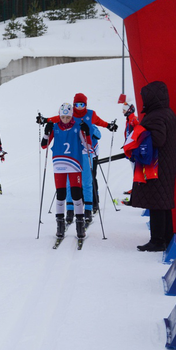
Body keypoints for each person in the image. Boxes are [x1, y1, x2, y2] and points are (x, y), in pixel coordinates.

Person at [37, 93, 116, 223]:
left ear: (86, 104)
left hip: (87, 150)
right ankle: (70, 210)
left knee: (87, 181)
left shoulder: (91, 114)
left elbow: (100, 122)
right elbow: (58, 118)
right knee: (69, 183)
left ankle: (89, 208)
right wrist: (45, 120)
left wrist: (109, 126)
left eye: (82, 104)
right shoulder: (70, 115)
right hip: (73, 153)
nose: (79, 107)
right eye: (77, 105)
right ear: (73, 106)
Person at [127, 81, 176, 251]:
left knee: (157, 202)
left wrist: (139, 131)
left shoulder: (156, 115)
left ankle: (157, 240)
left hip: (157, 165)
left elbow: (157, 139)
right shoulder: (167, 113)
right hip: (167, 163)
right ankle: (167, 237)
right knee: (164, 201)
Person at [41, 103, 92, 240]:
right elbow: (44, 145)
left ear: (71, 116)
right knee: (61, 195)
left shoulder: (77, 127)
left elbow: (88, 148)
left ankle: (80, 226)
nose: (65, 119)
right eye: (62, 117)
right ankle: (60, 226)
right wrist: (46, 132)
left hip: (74, 165)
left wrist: (86, 132)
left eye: (67, 117)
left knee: (76, 195)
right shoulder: (55, 127)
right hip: (59, 165)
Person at [122, 101, 139, 196]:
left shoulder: (133, 119)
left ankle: (137, 188)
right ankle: (135, 187)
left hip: (134, 149)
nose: (123, 112)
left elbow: (138, 132)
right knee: (134, 169)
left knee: (136, 169)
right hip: (130, 149)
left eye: (124, 110)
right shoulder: (129, 120)